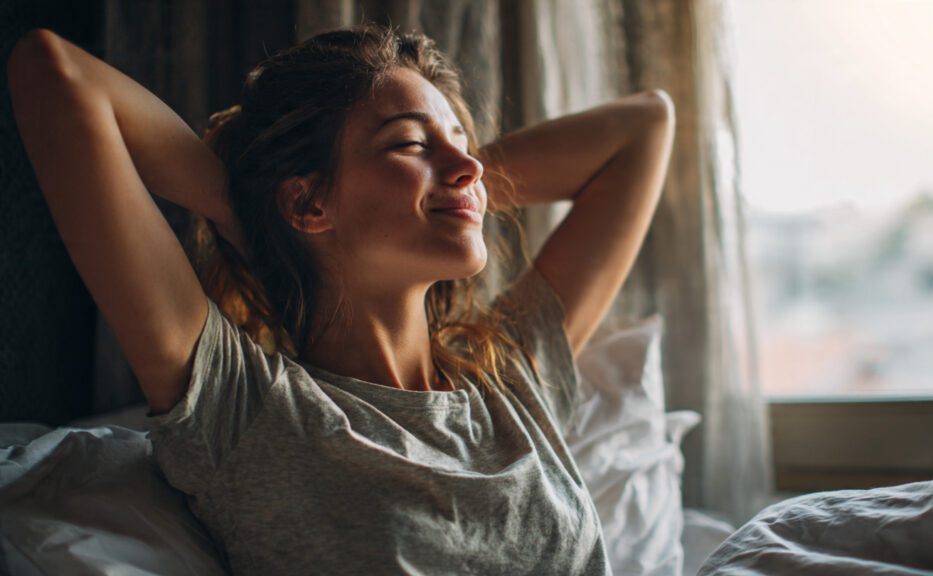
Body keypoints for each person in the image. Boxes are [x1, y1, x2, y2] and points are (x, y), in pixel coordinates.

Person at [7, 23, 675, 575]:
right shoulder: (245, 406)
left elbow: (647, 125)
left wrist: (453, 190)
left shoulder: (511, 376)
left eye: (463, 144)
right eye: (411, 143)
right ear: (306, 200)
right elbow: (56, 72)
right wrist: (249, 214)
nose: (470, 164)